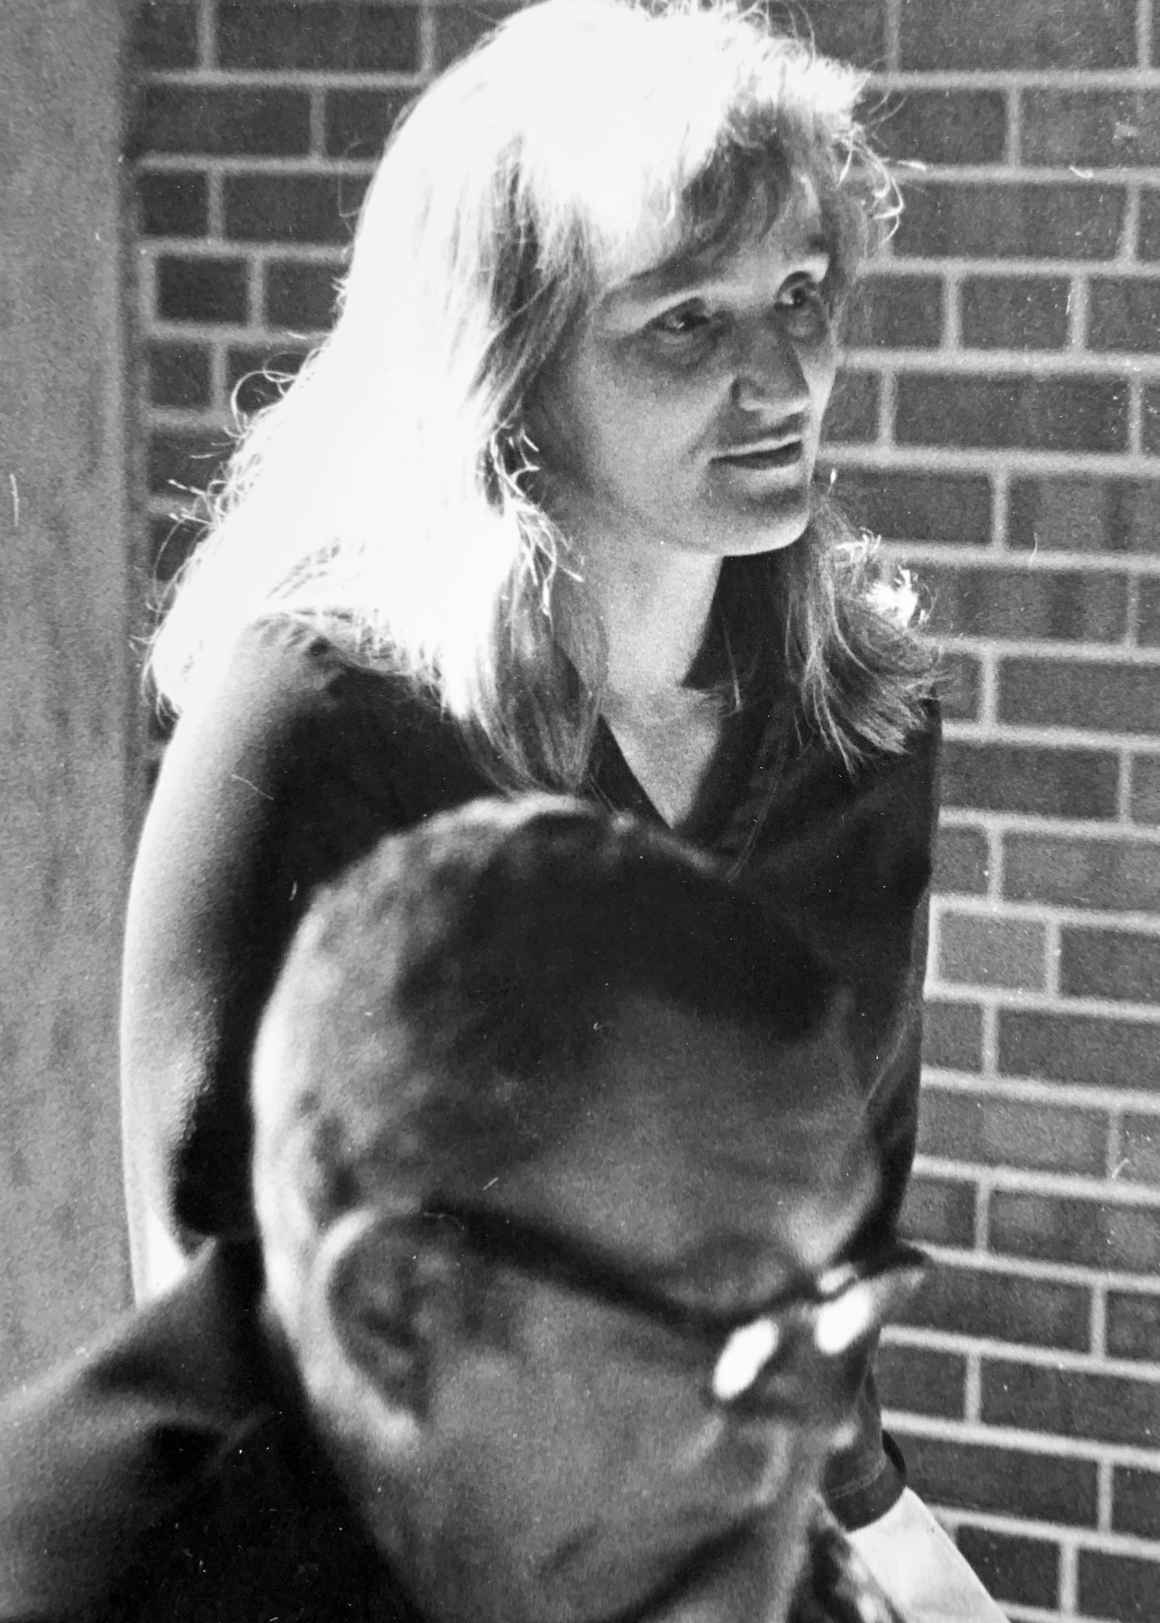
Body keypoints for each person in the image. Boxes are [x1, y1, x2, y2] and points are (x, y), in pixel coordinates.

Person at [119, 2, 1005, 1615]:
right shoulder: (325, 716)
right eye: (683, 322)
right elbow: (218, 1329)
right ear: (514, 363)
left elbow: (811, 1252)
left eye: (801, 295)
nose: (780, 372)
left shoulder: (860, 724)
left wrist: (892, 1540)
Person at [7, 801, 918, 1623]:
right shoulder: (105, 1588)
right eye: (742, 1325)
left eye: (835, 1309)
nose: (820, 1431)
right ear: (396, 1312)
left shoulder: (672, 1515)